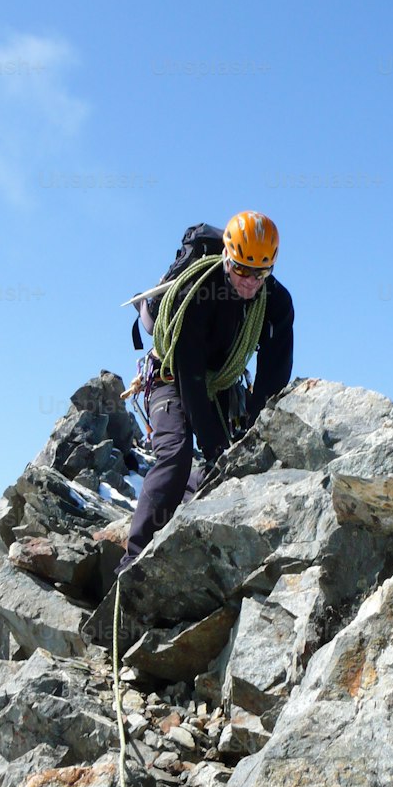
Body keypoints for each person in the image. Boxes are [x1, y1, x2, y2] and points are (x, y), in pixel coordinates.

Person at [116, 210, 294, 578]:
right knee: (176, 453)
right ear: (227, 257)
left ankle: (181, 503)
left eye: (259, 273)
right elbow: (190, 378)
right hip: (170, 374)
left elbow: (273, 375)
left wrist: (254, 433)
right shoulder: (195, 292)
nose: (248, 282)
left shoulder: (275, 303)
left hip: (225, 383)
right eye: (241, 270)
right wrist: (215, 448)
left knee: (235, 465)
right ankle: (131, 565)